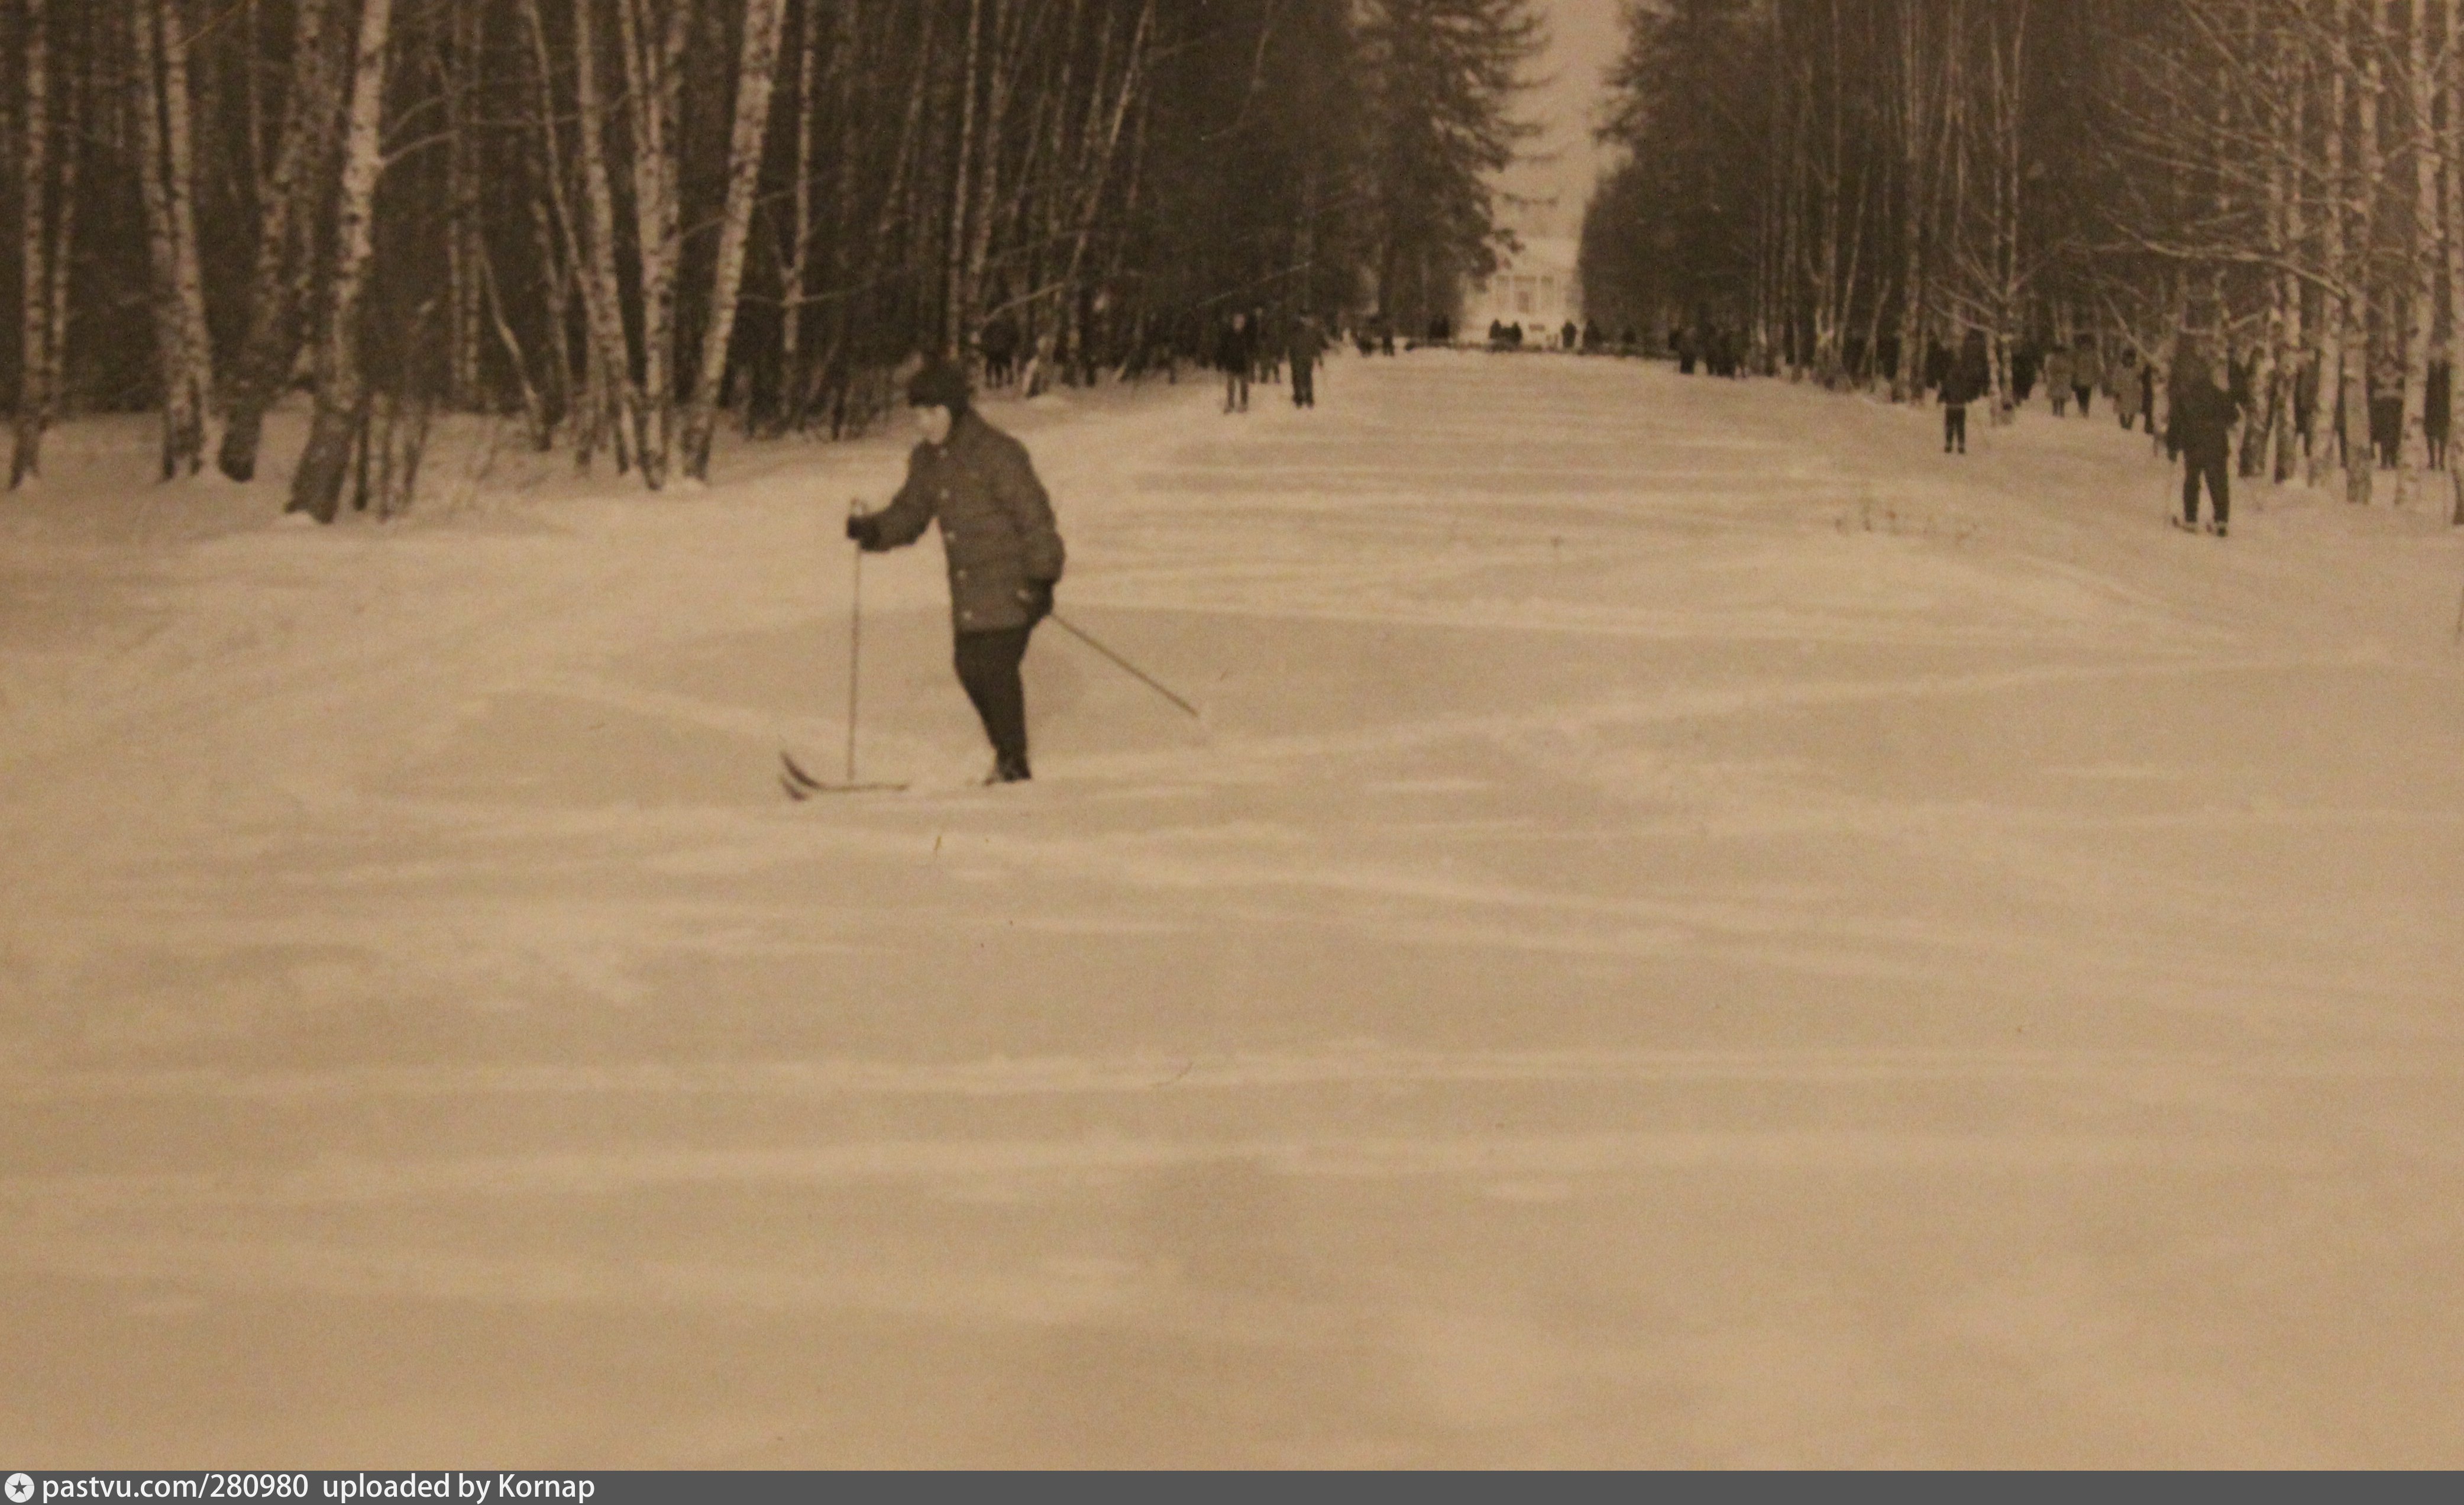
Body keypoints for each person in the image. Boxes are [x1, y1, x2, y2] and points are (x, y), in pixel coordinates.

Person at [847, 361, 1065, 784]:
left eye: (931, 412)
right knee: (969, 667)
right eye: (917, 414)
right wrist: (875, 530)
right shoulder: (928, 461)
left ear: (953, 409)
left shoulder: (997, 453)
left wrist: (1042, 579)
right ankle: (1007, 757)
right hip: (970, 590)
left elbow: (1035, 518)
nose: (923, 423)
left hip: (1015, 583)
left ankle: (1013, 764)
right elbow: (911, 512)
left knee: (992, 668)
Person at [2166, 349, 2236, 537]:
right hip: (2216, 443)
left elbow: (2176, 421)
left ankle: (2191, 519)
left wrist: (2172, 446)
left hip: (2194, 442)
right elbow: (2233, 415)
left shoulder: (2185, 396)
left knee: (2192, 480)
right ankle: (2221, 520)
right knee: (2219, 482)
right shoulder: (2218, 394)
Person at [1942, 330, 1988, 454]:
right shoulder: (1963, 378)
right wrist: (1969, 397)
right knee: (1960, 426)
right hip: (1961, 406)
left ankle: (1948, 444)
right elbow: (1966, 390)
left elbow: (1945, 389)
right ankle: (1961, 445)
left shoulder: (1949, 378)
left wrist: (1942, 397)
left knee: (1950, 426)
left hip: (1950, 406)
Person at [1217, 311, 1254, 413]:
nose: (1239, 324)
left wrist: (1250, 361)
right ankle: (1230, 403)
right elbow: (1222, 348)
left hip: (1243, 364)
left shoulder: (1247, 335)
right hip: (1231, 363)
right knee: (1231, 385)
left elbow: (1251, 349)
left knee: (1243, 385)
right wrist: (1220, 361)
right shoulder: (1228, 334)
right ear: (1234, 323)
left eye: (1241, 322)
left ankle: (1244, 402)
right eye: (1237, 322)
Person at [1287, 314, 1325, 408]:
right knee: (1307, 378)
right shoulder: (1310, 334)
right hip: (1308, 359)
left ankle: (1299, 398)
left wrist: (1291, 357)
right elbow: (1316, 347)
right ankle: (1309, 398)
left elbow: (1291, 347)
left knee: (1297, 378)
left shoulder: (1294, 335)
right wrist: (1320, 359)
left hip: (1298, 360)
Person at [2072, 337, 2103, 418]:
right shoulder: (2077, 354)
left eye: (2087, 345)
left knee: (2087, 394)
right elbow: (2073, 365)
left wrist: (2097, 376)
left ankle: (2085, 409)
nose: (2085, 347)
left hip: (2089, 378)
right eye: (2084, 345)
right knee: (2079, 394)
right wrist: (2073, 374)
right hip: (2079, 377)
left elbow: (2097, 366)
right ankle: (2081, 406)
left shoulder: (2093, 355)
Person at [2043, 345, 2074, 416]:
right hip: (2055, 378)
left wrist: (2067, 373)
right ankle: (2055, 409)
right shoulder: (2052, 358)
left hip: (2063, 378)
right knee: (2055, 395)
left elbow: (2070, 367)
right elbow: (2048, 367)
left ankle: (2062, 410)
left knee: (2062, 396)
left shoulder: (2067, 359)